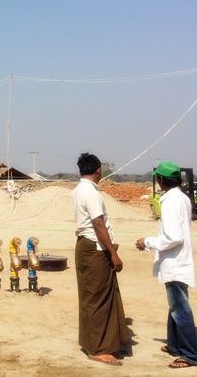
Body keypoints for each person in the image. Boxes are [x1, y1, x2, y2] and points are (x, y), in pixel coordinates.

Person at [136, 160, 197, 368]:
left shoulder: (171, 202)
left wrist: (147, 242)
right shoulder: (181, 198)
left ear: (161, 180)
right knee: (175, 305)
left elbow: (173, 237)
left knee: (180, 309)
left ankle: (189, 354)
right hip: (178, 261)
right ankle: (174, 344)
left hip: (175, 262)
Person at [71, 152, 129, 366]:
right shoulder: (91, 193)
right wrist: (113, 253)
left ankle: (91, 342)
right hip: (95, 248)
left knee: (90, 296)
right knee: (99, 298)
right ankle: (99, 348)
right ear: (98, 170)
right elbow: (98, 224)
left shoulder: (78, 190)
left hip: (85, 245)